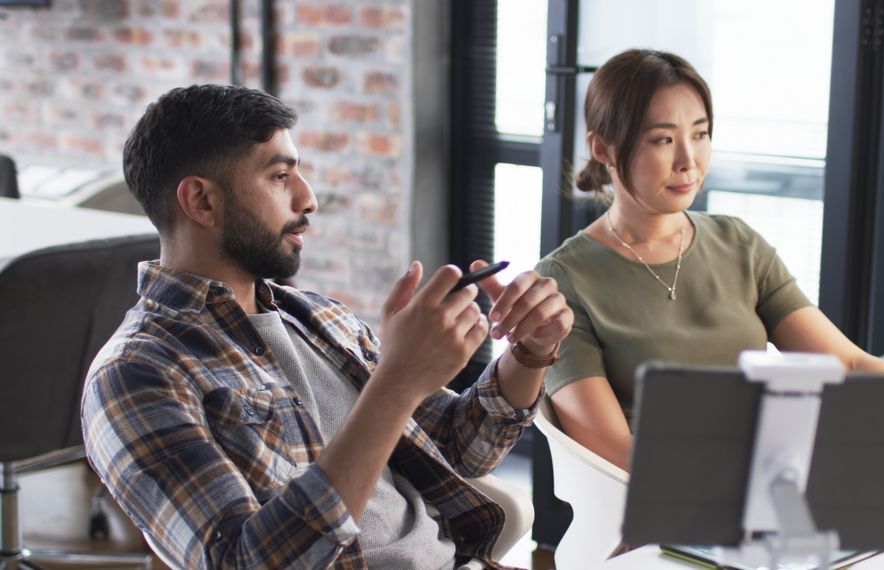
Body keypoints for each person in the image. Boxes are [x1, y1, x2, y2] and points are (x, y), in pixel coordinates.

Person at [81, 84, 572, 569]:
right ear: (201, 201)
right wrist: (396, 383)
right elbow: (247, 562)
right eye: (279, 176)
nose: (308, 198)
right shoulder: (135, 375)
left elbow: (457, 450)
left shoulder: (319, 319)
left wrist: (529, 352)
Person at [534, 48, 884, 471]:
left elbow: (848, 361)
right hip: (664, 514)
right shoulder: (563, 283)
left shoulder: (739, 244)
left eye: (701, 133)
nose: (689, 159)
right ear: (603, 147)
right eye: (663, 139)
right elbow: (617, 453)